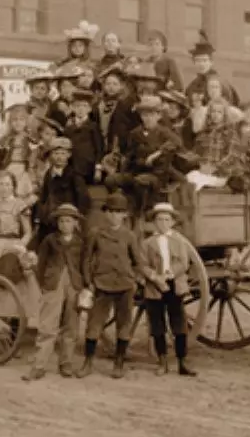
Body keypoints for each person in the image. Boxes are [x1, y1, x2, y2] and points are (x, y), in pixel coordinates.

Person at [76, 191, 142, 380]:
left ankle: (118, 363)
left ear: (124, 215)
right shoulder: (96, 233)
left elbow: (137, 261)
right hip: (101, 285)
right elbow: (86, 259)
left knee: (124, 325)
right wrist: (89, 282)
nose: (114, 215)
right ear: (106, 213)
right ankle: (87, 363)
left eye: (119, 212)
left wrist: (135, 280)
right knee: (94, 325)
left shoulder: (129, 236)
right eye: (111, 211)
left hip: (124, 285)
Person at [23, 203, 85, 381]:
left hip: (74, 284)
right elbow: (41, 264)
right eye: (62, 221)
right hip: (53, 284)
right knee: (48, 326)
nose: (65, 224)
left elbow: (84, 264)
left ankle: (65, 363)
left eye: (68, 221)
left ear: (75, 223)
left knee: (71, 325)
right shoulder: (50, 240)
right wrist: (44, 283)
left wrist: (84, 285)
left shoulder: (80, 242)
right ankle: (39, 365)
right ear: (57, 223)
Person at [0, 170, 40, 335]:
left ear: (13, 187)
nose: (4, 188)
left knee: (12, 289)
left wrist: (20, 246)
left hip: (11, 247)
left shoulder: (20, 205)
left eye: (8, 184)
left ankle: (13, 336)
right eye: (1, 184)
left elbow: (28, 232)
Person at [140, 203, 197, 377]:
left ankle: (182, 362)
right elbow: (142, 264)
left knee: (179, 323)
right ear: (154, 222)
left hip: (174, 285)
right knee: (157, 324)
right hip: (154, 286)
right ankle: (162, 361)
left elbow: (184, 262)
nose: (163, 223)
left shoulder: (179, 241)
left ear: (172, 222)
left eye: (166, 219)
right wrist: (155, 277)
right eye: (159, 219)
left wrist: (169, 274)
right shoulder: (147, 243)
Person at [106, 95, 184, 211]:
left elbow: (178, 143)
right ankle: (123, 205)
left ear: (158, 116)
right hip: (136, 171)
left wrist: (157, 153)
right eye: (145, 115)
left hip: (156, 174)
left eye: (152, 115)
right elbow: (130, 156)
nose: (148, 118)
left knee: (141, 182)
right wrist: (121, 166)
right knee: (111, 180)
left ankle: (141, 213)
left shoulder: (164, 132)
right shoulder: (135, 133)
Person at [33, 137, 90, 249]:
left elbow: (83, 199)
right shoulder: (49, 174)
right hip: (49, 219)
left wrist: (76, 218)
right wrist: (39, 216)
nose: (59, 157)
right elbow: (43, 198)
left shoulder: (74, 175)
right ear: (51, 155)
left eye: (63, 154)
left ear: (68, 155)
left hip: (66, 218)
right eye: (56, 153)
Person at [184, 32, 240, 107]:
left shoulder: (221, 83)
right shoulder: (192, 86)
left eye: (204, 60)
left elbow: (233, 103)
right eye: (198, 60)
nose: (201, 64)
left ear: (211, 62)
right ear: (194, 63)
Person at [95, 64, 139, 155]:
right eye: (108, 84)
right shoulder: (99, 104)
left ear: (121, 86)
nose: (111, 87)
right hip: (101, 145)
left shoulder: (127, 104)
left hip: (120, 146)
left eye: (115, 84)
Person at [0, 103, 37, 208]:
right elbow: (1, 156)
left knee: (21, 196)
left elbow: (32, 158)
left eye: (21, 120)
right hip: (8, 168)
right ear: (10, 123)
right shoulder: (6, 139)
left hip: (23, 169)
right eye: (14, 120)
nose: (18, 123)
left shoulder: (30, 139)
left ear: (26, 122)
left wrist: (31, 174)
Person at [63, 89, 104, 185]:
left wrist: (98, 169)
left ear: (89, 109)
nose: (81, 109)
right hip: (72, 167)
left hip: (89, 167)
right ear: (72, 108)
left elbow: (99, 149)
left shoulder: (93, 127)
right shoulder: (68, 129)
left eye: (84, 106)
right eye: (77, 106)